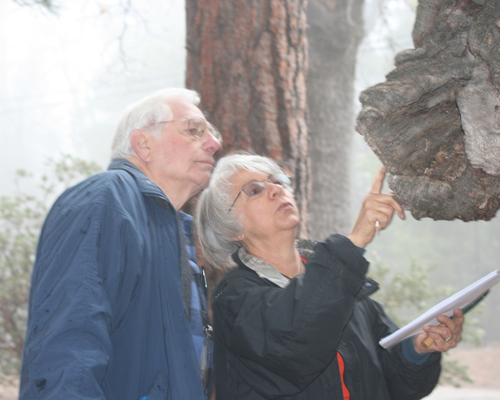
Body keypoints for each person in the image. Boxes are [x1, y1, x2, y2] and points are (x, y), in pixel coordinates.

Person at [196, 152, 464, 400]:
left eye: (277, 180)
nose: (276, 189)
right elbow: (295, 345)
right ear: (231, 230)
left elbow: (392, 384)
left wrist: (417, 350)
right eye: (254, 190)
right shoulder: (234, 296)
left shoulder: (344, 284)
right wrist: (354, 241)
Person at [19, 88, 221, 400]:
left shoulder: (176, 229)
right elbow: (68, 339)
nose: (214, 143)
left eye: (211, 133)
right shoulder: (104, 201)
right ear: (143, 144)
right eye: (193, 130)